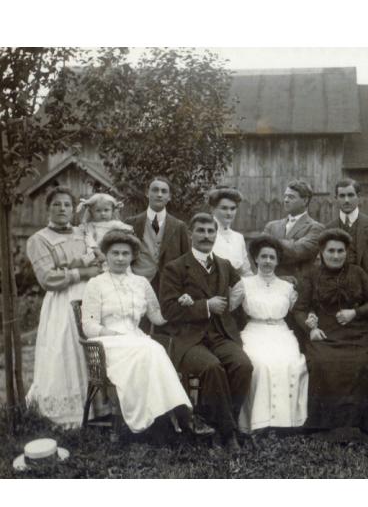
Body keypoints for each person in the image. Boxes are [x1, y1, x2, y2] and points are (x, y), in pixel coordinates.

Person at [81, 230, 198, 434]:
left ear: (133, 256)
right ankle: (171, 415)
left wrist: (179, 306)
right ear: (106, 255)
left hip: (137, 340)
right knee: (151, 350)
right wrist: (115, 335)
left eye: (125, 253)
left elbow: (157, 316)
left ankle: (159, 418)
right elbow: (89, 327)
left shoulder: (141, 283)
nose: (120, 258)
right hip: (108, 343)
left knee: (152, 348)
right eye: (115, 253)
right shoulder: (95, 284)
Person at [159, 213, 253, 453]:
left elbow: (242, 286)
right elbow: (168, 310)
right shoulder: (175, 267)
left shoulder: (224, 265)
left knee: (243, 365)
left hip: (220, 334)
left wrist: (236, 303)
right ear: (191, 234)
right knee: (212, 369)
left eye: (211, 231)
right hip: (189, 340)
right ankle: (228, 434)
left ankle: (221, 426)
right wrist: (204, 306)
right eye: (200, 231)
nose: (206, 236)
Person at [26, 186, 102, 427]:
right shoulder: (39, 239)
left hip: (90, 297)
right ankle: (66, 414)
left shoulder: (83, 233)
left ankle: (98, 408)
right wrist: (82, 272)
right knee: (65, 350)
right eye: (56, 204)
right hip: (62, 302)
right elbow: (47, 278)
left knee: (91, 349)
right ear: (48, 208)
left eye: (67, 205)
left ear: (74, 209)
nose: (62, 209)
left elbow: (102, 255)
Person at [294, 228, 368, 441]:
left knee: (360, 363)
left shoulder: (358, 273)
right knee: (323, 363)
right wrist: (310, 328)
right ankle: (324, 426)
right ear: (321, 252)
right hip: (323, 332)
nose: (336, 255)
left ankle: (358, 425)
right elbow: (299, 308)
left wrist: (355, 312)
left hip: (356, 331)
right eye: (331, 251)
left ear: (347, 252)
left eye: (340, 251)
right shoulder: (311, 275)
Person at [230, 235, 308, 433]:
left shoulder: (287, 287)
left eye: (272, 257)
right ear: (255, 259)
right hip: (254, 332)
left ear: (277, 261)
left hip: (281, 333)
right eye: (263, 256)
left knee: (291, 363)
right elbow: (228, 309)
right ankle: (258, 422)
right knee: (260, 365)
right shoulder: (244, 284)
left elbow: (300, 312)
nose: (267, 261)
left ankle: (286, 423)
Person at [325, 178, 368, 297]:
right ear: (336, 198)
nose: (346, 200)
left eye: (350, 195)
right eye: (342, 196)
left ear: (359, 197)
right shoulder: (328, 228)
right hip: (338, 295)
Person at [125, 176, 189, 295]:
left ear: (169, 197)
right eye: (155, 190)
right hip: (137, 284)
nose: (159, 194)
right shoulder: (131, 223)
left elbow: (187, 261)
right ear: (147, 193)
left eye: (164, 191)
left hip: (170, 287)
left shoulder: (180, 226)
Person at [264, 180, 324, 283]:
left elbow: (297, 251)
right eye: (285, 196)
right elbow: (259, 252)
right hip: (271, 283)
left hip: (298, 286)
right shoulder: (272, 226)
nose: (286, 200)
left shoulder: (316, 228)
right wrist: (291, 243)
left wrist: (270, 242)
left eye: (291, 197)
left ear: (305, 201)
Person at [76, 192, 133, 268]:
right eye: (98, 211)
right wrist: (97, 252)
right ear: (91, 212)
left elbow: (129, 230)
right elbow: (89, 239)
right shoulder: (90, 226)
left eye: (106, 210)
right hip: (95, 252)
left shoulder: (115, 224)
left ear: (112, 211)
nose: (103, 213)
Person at [208, 186, 253, 277]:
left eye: (233, 209)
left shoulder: (238, 238)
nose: (229, 213)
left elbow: (246, 271)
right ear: (212, 209)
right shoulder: (205, 234)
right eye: (224, 208)